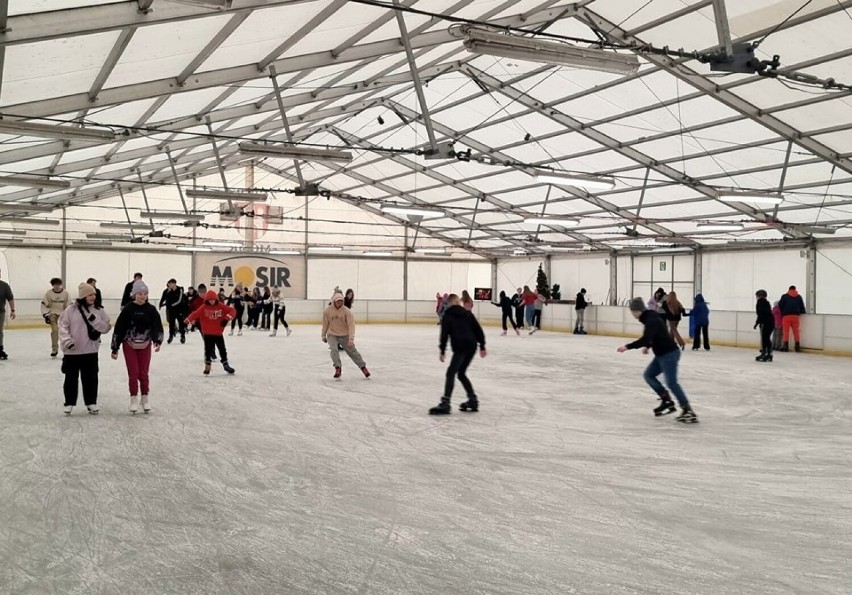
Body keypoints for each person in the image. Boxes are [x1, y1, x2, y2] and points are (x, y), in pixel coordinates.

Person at [617, 297, 698, 423]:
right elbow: (655, 335)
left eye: (632, 311)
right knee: (649, 375)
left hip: (669, 354)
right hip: (661, 354)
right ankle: (666, 400)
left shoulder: (651, 319)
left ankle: (688, 410)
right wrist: (648, 346)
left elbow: (646, 338)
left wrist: (627, 347)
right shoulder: (649, 317)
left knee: (671, 382)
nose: (632, 313)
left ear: (637, 310)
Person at [58, 283, 111, 415]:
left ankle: (91, 402)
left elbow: (106, 327)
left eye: (94, 294)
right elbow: (62, 327)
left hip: (90, 351)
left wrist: (95, 321)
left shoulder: (99, 310)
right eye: (90, 294)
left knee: (91, 378)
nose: (93, 297)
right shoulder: (70, 310)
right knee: (70, 378)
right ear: (82, 296)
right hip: (72, 351)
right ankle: (69, 402)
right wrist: (67, 341)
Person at [112, 280, 164, 413]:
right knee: (133, 373)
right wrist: (115, 347)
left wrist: (158, 340)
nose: (143, 296)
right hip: (129, 344)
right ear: (134, 294)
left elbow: (156, 326)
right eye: (140, 293)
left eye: (145, 293)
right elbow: (119, 328)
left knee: (143, 373)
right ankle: (133, 397)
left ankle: (145, 397)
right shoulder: (128, 309)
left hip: (145, 344)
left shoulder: (151, 309)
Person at [431, 293, 487, 415]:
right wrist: (482, 346)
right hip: (471, 346)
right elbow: (478, 329)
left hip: (460, 346)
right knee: (461, 373)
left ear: (449, 303)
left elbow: (444, 334)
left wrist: (442, 350)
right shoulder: (467, 313)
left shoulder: (447, 315)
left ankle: (446, 402)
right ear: (458, 302)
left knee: (451, 372)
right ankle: (472, 399)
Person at [185, 289, 236, 375]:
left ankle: (225, 364)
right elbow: (195, 313)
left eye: (213, 300)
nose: (212, 302)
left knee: (222, 349)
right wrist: (188, 319)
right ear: (207, 300)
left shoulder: (221, 306)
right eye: (210, 300)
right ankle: (207, 365)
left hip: (218, 334)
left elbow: (233, 310)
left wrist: (227, 318)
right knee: (208, 350)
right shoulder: (204, 307)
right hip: (208, 334)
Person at [321, 291, 369, 380]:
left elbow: (351, 325)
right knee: (334, 350)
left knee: (353, 352)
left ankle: (363, 368)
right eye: (337, 301)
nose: (339, 303)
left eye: (341, 301)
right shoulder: (327, 311)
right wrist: (323, 335)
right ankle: (338, 368)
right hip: (332, 334)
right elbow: (325, 324)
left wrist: (351, 339)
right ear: (334, 301)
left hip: (345, 335)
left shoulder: (347, 311)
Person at [41, 277, 70, 358]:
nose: (56, 286)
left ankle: (66, 349)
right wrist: (46, 315)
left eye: (58, 284)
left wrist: (69, 315)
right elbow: (44, 304)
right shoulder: (49, 293)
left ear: (60, 285)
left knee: (64, 332)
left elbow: (70, 305)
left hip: (63, 315)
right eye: (54, 285)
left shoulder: (65, 293)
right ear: (52, 285)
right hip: (52, 314)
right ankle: (54, 349)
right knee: (54, 331)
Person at [158, 278, 187, 344]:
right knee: (171, 323)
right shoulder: (168, 291)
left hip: (179, 309)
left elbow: (179, 300)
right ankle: (171, 336)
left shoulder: (180, 290)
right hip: (171, 310)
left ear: (174, 284)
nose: (169, 285)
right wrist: (161, 304)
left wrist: (172, 305)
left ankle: (182, 336)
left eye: (170, 284)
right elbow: (164, 298)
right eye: (169, 284)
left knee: (181, 323)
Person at [778, 285, 806, 352]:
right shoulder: (799, 297)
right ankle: (797, 346)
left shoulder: (784, 296)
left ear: (789, 289)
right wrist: (802, 312)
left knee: (786, 331)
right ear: (795, 290)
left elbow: (780, 305)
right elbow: (802, 307)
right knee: (796, 331)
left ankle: (785, 346)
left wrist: (782, 311)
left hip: (786, 316)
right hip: (795, 316)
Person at [754, 290, 775, 363]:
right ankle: (769, 353)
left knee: (764, 339)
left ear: (760, 296)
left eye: (757, 296)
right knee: (767, 338)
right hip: (771, 322)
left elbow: (760, 314)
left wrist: (757, 323)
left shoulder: (760, 302)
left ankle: (765, 353)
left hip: (766, 322)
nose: (756, 297)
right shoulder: (767, 302)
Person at [0, 268, 15, 360]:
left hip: (0, 312)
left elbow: (10, 298)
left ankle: (0, 348)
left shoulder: (4, 286)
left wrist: (13, 310)